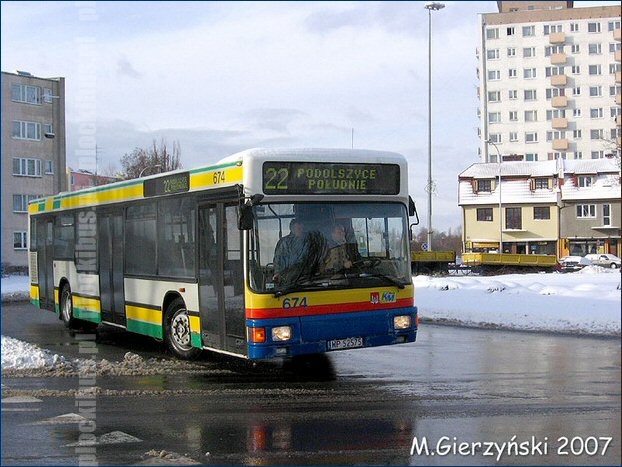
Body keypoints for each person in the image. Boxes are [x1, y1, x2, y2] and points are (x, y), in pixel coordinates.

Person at [273, 219, 308, 284]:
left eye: (302, 228)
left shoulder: (307, 241)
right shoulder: (284, 242)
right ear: (292, 229)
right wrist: (277, 272)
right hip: (288, 277)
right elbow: (278, 259)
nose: (301, 230)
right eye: (299, 228)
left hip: (306, 276)